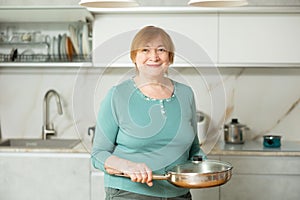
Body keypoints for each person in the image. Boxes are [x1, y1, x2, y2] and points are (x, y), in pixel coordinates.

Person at [91, 25, 206, 200]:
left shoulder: (186, 94)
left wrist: (205, 166)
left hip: (179, 194)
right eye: (145, 50)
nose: (154, 56)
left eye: (161, 50)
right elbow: (98, 154)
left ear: (170, 57)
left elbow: (194, 149)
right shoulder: (118, 95)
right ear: (134, 57)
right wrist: (127, 166)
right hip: (130, 193)